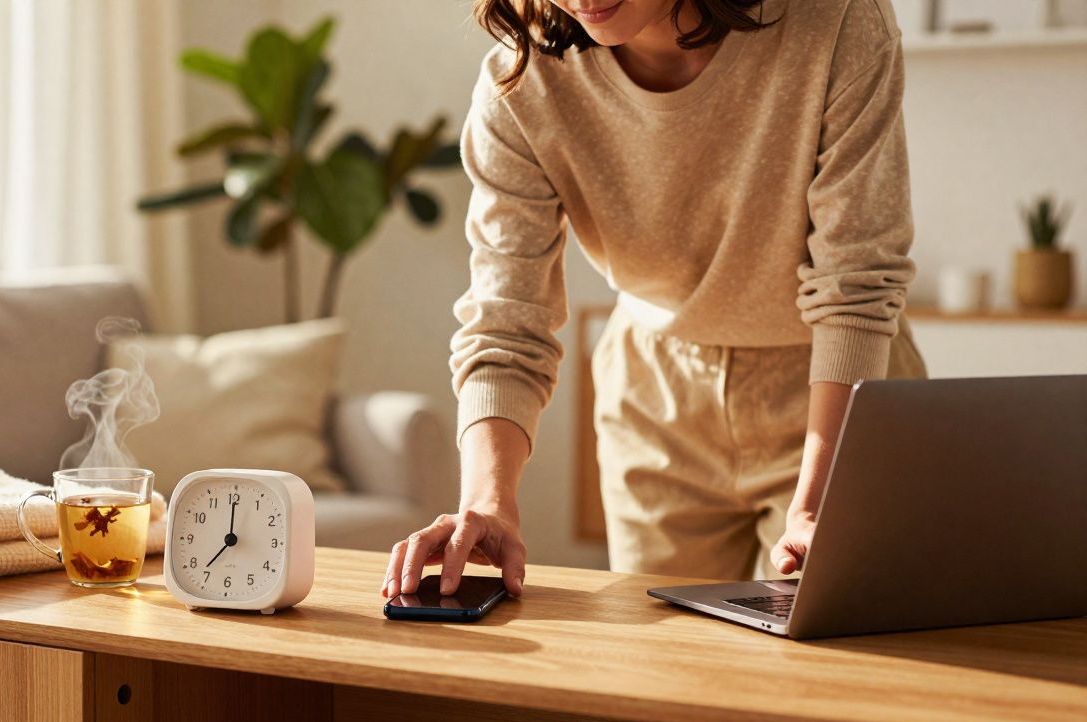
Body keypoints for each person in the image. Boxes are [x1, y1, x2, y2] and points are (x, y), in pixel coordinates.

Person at [382, 0, 927, 600]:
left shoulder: (836, 21)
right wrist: (488, 503)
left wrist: (820, 505)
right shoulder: (522, 81)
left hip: (837, 396)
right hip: (653, 403)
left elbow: (857, 285)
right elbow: (507, 323)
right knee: (663, 673)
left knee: (837, 674)